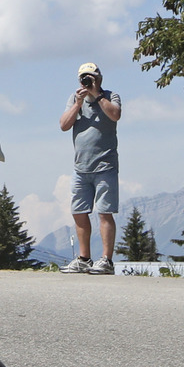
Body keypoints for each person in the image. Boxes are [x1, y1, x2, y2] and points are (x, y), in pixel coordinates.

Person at [59, 63, 122, 275]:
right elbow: (63, 124)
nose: (87, 82)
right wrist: (77, 104)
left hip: (105, 166)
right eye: (83, 78)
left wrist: (97, 95)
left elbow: (115, 115)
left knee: (104, 212)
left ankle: (106, 260)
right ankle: (84, 258)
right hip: (80, 168)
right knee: (79, 212)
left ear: (99, 78)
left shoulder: (111, 96)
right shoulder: (75, 98)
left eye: (91, 78)